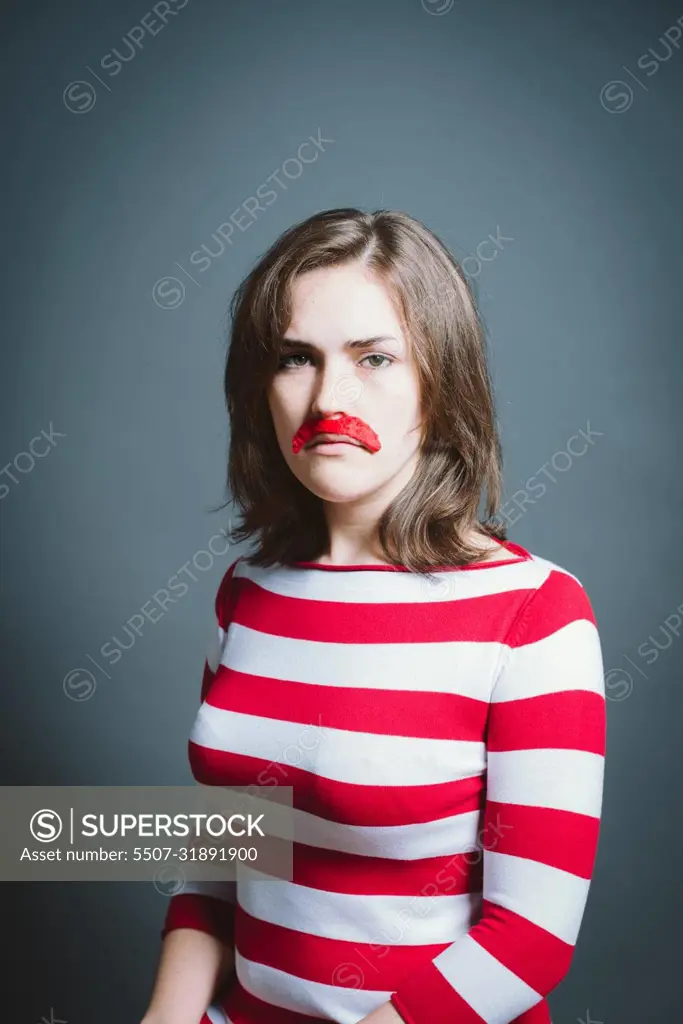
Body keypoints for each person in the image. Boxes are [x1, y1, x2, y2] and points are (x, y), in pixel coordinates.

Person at [141, 208, 607, 1024]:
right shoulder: (247, 591)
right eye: (295, 358)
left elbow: (529, 937)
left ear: (441, 378)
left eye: (374, 358)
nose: (329, 396)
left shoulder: (535, 612)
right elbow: (224, 854)